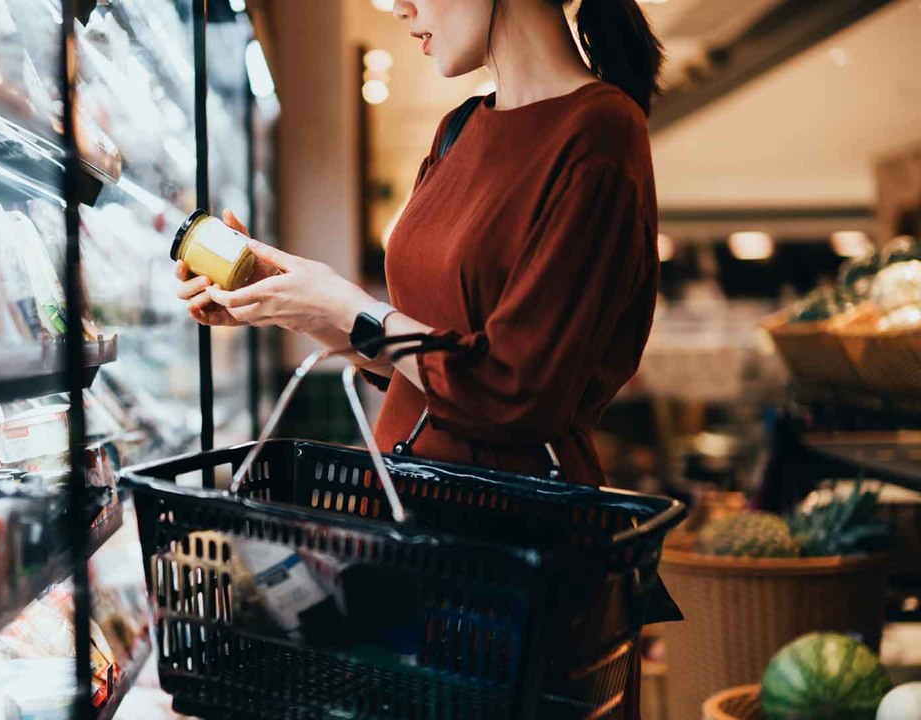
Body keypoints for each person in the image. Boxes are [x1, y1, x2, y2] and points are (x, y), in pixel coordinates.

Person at [176, 0, 663, 715]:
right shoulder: (459, 129)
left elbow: (515, 389)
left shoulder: (599, 133)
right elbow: (436, 357)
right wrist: (290, 302)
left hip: (508, 568)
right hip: (409, 541)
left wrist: (349, 308)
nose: (398, 5)